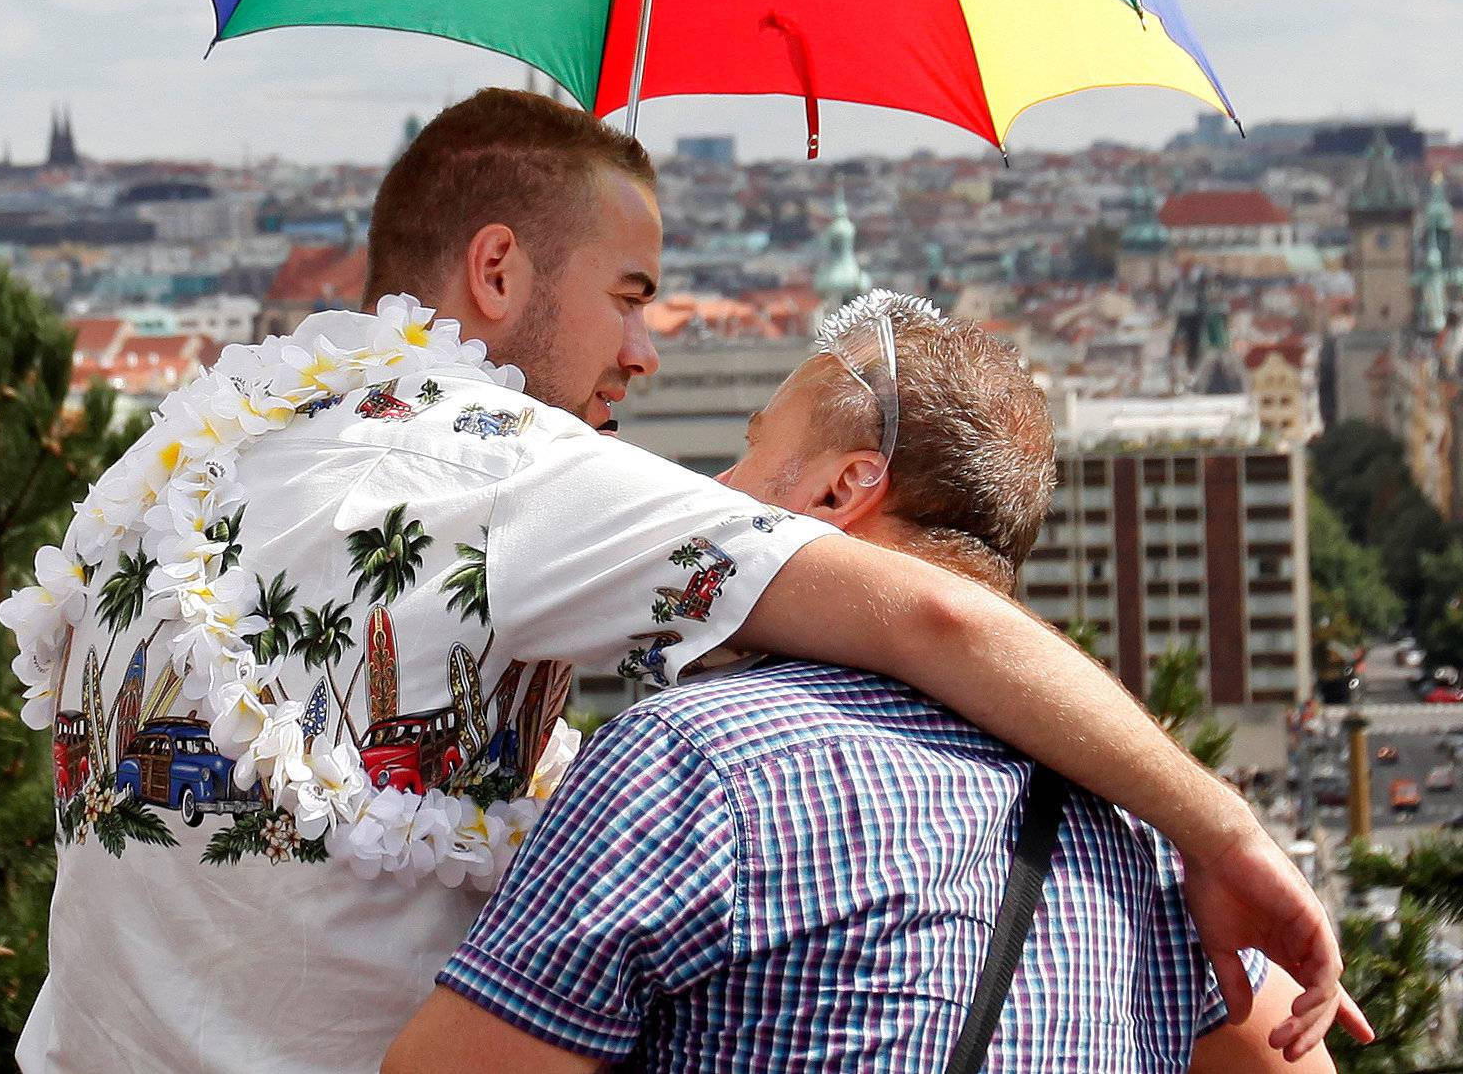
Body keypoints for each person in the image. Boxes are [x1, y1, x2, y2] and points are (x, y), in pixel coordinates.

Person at [7, 89, 1345, 1074]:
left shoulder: (191, 454)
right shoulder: (500, 460)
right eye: (633, 291)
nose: (649, 352)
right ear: (497, 269)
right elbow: (932, 613)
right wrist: (1222, 826)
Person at [387, 294, 1343, 1072]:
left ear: (842, 490)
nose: (720, 484)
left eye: (753, 448)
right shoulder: (1142, 821)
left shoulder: (693, 766)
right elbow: (1293, 1055)